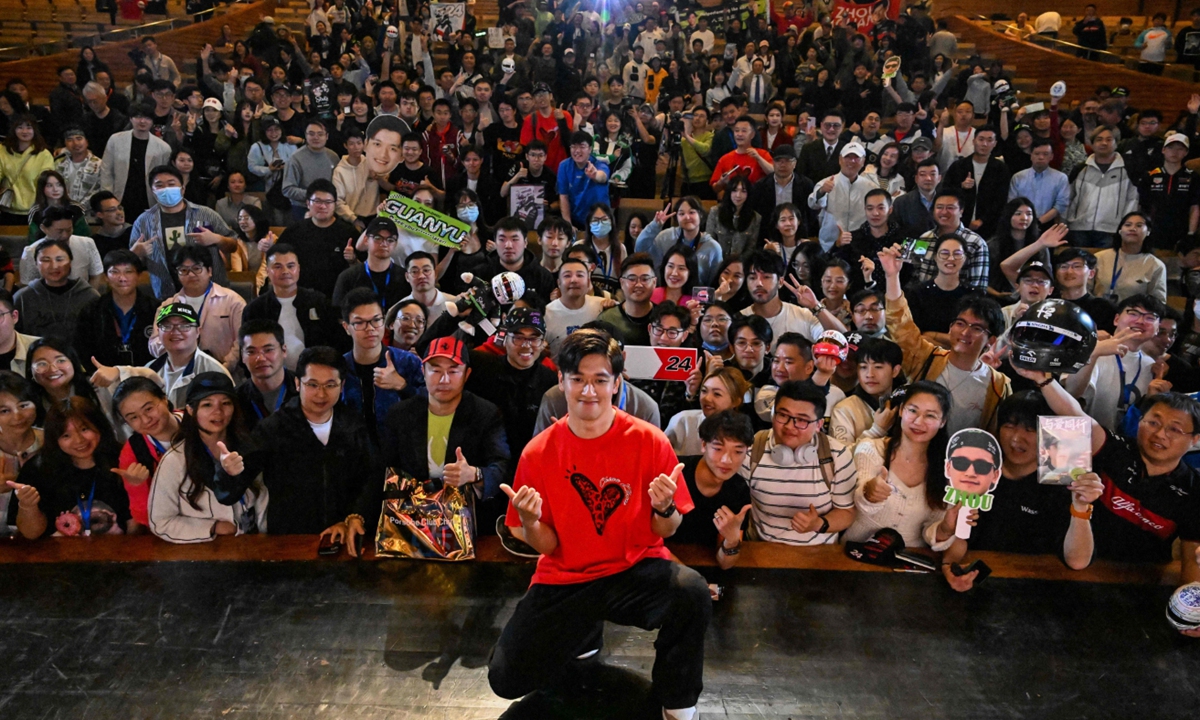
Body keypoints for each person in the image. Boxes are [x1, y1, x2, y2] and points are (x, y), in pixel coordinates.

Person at [487, 329, 710, 720]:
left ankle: (678, 704)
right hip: (566, 576)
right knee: (505, 679)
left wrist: (663, 508)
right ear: (562, 382)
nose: (588, 390)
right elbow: (547, 544)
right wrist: (528, 520)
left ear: (617, 383)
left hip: (632, 569)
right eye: (578, 379)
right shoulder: (538, 453)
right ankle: (583, 633)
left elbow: (667, 531)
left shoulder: (650, 440)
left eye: (600, 380)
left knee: (691, 592)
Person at [1017, 374, 1199, 629]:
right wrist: (1044, 380)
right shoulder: (1117, 449)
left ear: (1195, 440)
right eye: (1153, 422)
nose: (1160, 434)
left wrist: (1191, 619)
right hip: (1072, 572)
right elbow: (1073, 414)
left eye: (1174, 429)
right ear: (1140, 422)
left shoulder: (1194, 490)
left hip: (1140, 589)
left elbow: (1192, 562)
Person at [213, 346, 379, 536]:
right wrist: (228, 473)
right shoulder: (274, 428)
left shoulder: (353, 425)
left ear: (342, 386)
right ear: (298, 383)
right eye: (312, 384)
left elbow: (371, 477)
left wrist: (357, 515)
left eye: (330, 385)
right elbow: (229, 492)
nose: (321, 394)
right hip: (290, 540)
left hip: (342, 535)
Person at [879, 244, 1011, 435]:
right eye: (960, 323)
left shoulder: (998, 384)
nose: (965, 332)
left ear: (990, 340)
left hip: (964, 461)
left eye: (976, 328)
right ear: (950, 327)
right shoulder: (927, 357)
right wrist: (892, 276)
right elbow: (900, 324)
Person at [147, 372, 265, 543]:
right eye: (207, 405)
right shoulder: (175, 459)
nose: (218, 412)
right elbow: (160, 521)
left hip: (253, 546)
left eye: (226, 403)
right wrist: (213, 527)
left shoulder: (248, 447)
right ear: (190, 409)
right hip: (203, 553)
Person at [843, 380, 956, 550]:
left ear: (943, 421)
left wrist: (946, 529)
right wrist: (869, 492)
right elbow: (856, 504)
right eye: (913, 411)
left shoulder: (948, 470)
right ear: (901, 410)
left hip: (909, 561)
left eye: (930, 415)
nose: (918, 421)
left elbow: (931, 532)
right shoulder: (871, 449)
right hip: (856, 552)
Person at [741, 380, 857, 545]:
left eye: (802, 420)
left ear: (818, 425)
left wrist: (818, 524)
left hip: (818, 554)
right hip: (761, 550)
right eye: (783, 415)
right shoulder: (753, 449)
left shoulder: (836, 455)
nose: (790, 426)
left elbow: (847, 512)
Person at [6, 397, 128, 538]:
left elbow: (136, 527)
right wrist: (28, 505)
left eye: (84, 429)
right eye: (66, 435)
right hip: (59, 556)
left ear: (99, 426)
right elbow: (31, 534)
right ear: (54, 439)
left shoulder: (123, 459)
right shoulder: (38, 469)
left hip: (118, 554)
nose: (78, 440)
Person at [465, 308, 556, 471]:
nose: (526, 346)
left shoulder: (551, 381)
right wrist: (452, 314)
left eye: (534, 339)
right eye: (518, 338)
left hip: (529, 466)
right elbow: (434, 350)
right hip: (484, 467)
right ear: (504, 338)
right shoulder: (482, 367)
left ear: (543, 343)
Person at [130, 164, 235, 299]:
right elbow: (130, 264)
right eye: (159, 185)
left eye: (171, 184)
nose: (166, 189)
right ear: (152, 191)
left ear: (183, 189)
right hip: (167, 295)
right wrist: (136, 254)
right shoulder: (143, 221)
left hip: (212, 293)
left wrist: (217, 239)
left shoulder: (206, 214)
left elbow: (233, 245)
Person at [1065, 293, 1166, 432]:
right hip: (1081, 437)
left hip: (1123, 445)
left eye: (1150, 317)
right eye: (1133, 313)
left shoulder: (1151, 366)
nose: (1141, 321)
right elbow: (1070, 393)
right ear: (1116, 319)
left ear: (1157, 330)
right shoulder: (1092, 348)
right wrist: (1093, 354)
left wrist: (1153, 399)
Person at [338, 287, 423, 444]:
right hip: (353, 454)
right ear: (346, 327)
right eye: (359, 323)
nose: (370, 328)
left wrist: (403, 386)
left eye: (376, 320)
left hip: (401, 453)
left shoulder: (408, 362)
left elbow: (434, 403)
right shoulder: (338, 368)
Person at [673, 409, 754, 573]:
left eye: (738, 451)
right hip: (662, 562)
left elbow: (726, 563)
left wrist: (731, 540)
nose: (727, 460)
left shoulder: (738, 490)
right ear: (703, 445)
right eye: (718, 448)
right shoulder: (676, 474)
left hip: (704, 569)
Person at [243, 243, 346, 371]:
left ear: (298, 269)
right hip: (272, 378)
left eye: (290, 266)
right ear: (268, 271)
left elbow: (336, 342)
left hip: (317, 374)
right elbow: (247, 350)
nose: (285, 271)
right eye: (278, 266)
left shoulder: (319, 302)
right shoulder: (255, 309)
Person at [147, 246, 245, 372]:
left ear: (209, 271)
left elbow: (242, 340)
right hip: (178, 373)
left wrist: (225, 366)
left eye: (196, 268)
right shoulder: (167, 306)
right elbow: (154, 343)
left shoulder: (233, 301)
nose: (191, 274)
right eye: (183, 270)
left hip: (224, 371)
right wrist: (178, 350)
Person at [110, 376, 176, 533]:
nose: (146, 420)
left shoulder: (197, 423)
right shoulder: (133, 451)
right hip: (170, 527)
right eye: (133, 417)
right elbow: (144, 518)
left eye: (149, 408)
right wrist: (136, 486)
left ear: (164, 399)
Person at [741, 250, 844, 349]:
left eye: (766, 277)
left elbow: (842, 339)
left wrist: (815, 305)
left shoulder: (803, 316)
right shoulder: (740, 319)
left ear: (780, 281)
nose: (759, 283)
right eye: (752, 278)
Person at [74, 250, 156, 370]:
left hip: (147, 377)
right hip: (103, 379)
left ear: (138, 275)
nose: (122, 278)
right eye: (114, 272)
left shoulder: (155, 309)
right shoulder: (92, 311)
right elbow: (82, 349)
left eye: (128, 272)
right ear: (106, 277)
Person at [139, 303, 231, 408]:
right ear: (158, 332)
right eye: (167, 326)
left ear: (198, 331)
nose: (175, 331)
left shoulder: (214, 371)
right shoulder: (149, 370)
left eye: (184, 326)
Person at [276, 179, 357, 298]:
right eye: (317, 201)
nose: (323, 206)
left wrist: (353, 260)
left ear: (335, 204)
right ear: (308, 203)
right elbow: (279, 258)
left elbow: (363, 267)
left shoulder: (348, 232)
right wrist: (268, 247)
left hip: (338, 297)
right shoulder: (294, 231)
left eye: (328, 202)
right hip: (301, 296)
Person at [1066, 126, 1139, 249]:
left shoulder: (1128, 169)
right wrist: (1067, 223)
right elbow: (1068, 198)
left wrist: (1125, 226)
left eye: (1109, 139)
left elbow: (1132, 201)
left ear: (1116, 143)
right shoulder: (1080, 169)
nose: (1104, 143)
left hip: (1111, 231)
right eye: (1099, 139)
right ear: (1092, 143)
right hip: (1079, 230)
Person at [99, 102, 172, 224]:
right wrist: (107, 197)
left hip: (148, 199)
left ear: (152, 121)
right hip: (120, 196)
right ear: (130, 119)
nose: (142, 121)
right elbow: (106, 170)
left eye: (147, 118)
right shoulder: (115, 140)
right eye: (138, 117)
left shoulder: (163, 148)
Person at [13, 239, 99, 339]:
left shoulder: (90, 296)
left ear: (70, 262)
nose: (54, 266)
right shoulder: (23, 298)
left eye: (59, 259)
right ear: (36, 264)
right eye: (46, 260)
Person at [909, 190, 990, 293]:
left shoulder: (976, 243)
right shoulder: (924, 238)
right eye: (939, 207)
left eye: (950, 208)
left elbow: (978, 286)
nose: (944, 212)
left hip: (961, 303)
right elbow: (916, 272)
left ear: (961, 211)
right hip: (924, 301)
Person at [828, 337, 903, 446]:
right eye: (863, 367)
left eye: (878, 367)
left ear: (895, 371)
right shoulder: (844, 410)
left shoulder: (908, 403)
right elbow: (841, 457)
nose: (869, 374)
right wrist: (877, 430)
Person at [634, 196, 722, 284]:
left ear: (701, 215)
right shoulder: (666, 237)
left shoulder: (712, 247)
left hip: (696, 296)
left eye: (691, 212)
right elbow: (640, 249)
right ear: (676, 217)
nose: (687, 217)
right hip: (665, 293)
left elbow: (714, 282)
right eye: (681, 214)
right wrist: (654, 226)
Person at [668, 367, 752, 458]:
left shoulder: (742, 432)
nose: (707, 398)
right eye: (704, 391)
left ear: (736, 401)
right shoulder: (682, 421)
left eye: (717, 394)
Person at [809, 142, 878, 252]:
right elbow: (813, 204)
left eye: (856, 158)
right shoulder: (826, 182)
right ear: (840, 159)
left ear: (863, 161)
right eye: (847, 157)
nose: (852, 161)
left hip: (860, 244)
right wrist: (822, 191)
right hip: (830, 243)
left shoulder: (871, 187)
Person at [907, 235, 979, 337]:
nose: (951, 258)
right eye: (945, 253)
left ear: (965, 258)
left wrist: (932, 335)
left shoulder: (974, 295)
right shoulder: (917, 294)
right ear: (935, 257)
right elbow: (915, 335)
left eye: (957, 254)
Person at [331, 218, 409, 311]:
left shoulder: (405, 278)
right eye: (377, 238)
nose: (384, 244)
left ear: (395, 244)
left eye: (390, 240)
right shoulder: (348, 277)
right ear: (366, 240)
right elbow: (339, 315)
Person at [1092, 211, 1168, 305]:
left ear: (1148, 232)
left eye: (1139, 225)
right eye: (1128, 225)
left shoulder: (1156, 265)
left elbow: (1158, 303)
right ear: (1120, 231)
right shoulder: (1099, 257)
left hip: (1134, 317)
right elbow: (1085, 290)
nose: (1133, 228)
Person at [234, 320, 297, 430]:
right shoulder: (236, 400)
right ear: (242, 356)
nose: (261, 358)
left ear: (284, 351)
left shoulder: (303, 390)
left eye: (268, 350)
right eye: (251, 352)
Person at [19, 206, 103, 288]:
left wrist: (89, 295)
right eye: (60, 231)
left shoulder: (87, 243)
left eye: (69, 230)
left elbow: (96, 274)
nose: (65, 235)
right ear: (44, 228)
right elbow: (27, 284)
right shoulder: (31, 251)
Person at [544, 258, 610, 356]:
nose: (574, 280)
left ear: (588, 282)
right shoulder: (546, 313)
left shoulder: (602, 306)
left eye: (579, 275)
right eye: (567, 276)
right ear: (559, 283)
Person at [0, 114, 56, 224]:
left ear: (35, 130)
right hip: (7, 208)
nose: (24, 131)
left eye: (29, 127)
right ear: (13, 130)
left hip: (35, 210)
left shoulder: (44, 154)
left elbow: (47, 181)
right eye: (20, 127)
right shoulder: (3, 151)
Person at [1008, 140, 1070, 227]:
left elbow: (1061, 205)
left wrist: (1038, 222)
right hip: (1021, 223)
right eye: (1037, 153)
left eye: (1045, 154)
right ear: (1031, 155)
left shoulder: (1060, 178)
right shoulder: (1018, 177)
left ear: (1051, 156)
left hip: (1048, 224)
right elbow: (1012, 203)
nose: (1041, 157)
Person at [598, 253, 656, 347]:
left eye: (645, 279)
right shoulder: (607, 320)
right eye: (632, 279)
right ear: (622, 283)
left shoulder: (663, 318)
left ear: (654, 282)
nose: (638, 285)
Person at [89, 192, 133, 259]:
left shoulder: (135, 232)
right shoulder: (95, 242)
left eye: (120, 208)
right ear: (100, 215)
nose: (119, 212)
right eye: (112, 210)